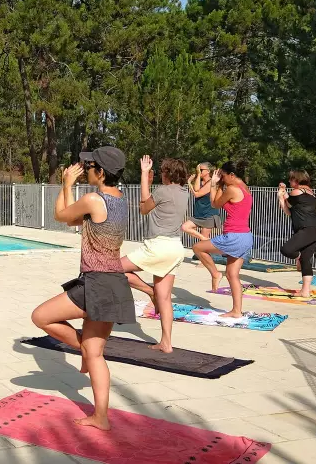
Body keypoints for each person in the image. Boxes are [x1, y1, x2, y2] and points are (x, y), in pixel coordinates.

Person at [31, 146, 132, 431]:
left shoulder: (92, 199)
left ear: (101, 172)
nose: (85, 170)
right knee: (95, 353)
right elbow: (70, 219)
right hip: (114, 283)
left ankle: (85, 352)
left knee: (41, 316)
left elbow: (61, 216)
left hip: (96, 282)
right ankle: (101, 417)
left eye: (89, 167)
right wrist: (69, 191)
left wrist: (66, 185)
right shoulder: (120, 200)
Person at [118, 156, 189, 353]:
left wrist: (144, 175)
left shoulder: (163, 191)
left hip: (158, 246)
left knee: (112, 268)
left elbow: (143, 209)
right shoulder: (184, 192)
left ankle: (150, 291)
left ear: (168, 173)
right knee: (165, 299)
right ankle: (166, 343)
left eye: (163, 171)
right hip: (176, 247)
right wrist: (148, 185)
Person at [192, 161, 253, 318]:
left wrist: (214, 184)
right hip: (246, 236)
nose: (222, 178)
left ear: (231, 175)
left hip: (234, 236)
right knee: (232, 275)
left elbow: (214, 203)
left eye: (223, 176)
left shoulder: (232, 189)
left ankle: (215, 274)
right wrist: (219, 184)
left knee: (198, 247)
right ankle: (236, 311)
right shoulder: (244, 187)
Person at [278, 170, 316, 298]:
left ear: (296, 180)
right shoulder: (310, 193)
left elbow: (288, 201)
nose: (289, 181)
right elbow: (289, 211)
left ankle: (298, 257)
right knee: (305, 259)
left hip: (307, 229)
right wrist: (282, 196)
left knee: (286, 249)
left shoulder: (297, 192)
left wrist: (282, 193)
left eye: (291, 179)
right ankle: (305, 291)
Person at [182, 162, 223, 241]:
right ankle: (207, 241)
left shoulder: (211, 182)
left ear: (208, 171)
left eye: (201, 170)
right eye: (198, 170)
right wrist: (198, 175)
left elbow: (197, 194)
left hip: (209, 215)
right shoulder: (200, 182)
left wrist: (189, 183)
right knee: (185, 227)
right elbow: (196, 189)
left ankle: (208, 244)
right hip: (199, 215)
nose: (199, 171)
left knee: (203, 242)